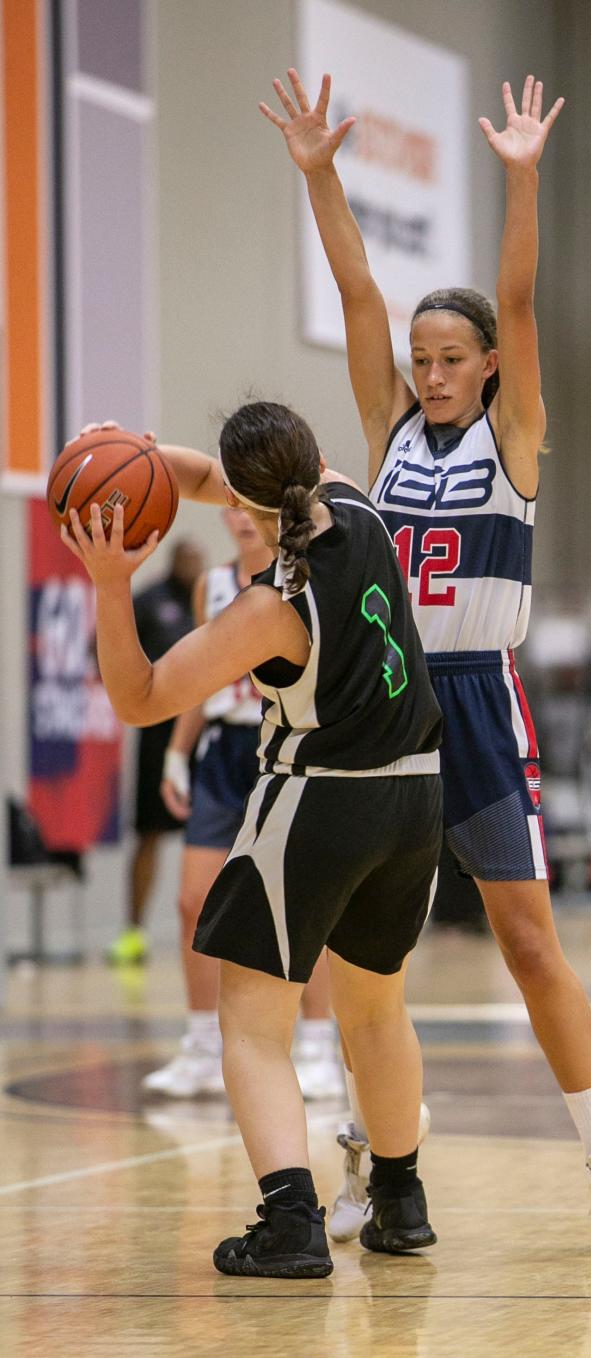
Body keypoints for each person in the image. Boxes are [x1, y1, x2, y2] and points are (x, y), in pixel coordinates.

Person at [262, 68, 591, 1253]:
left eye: (452, 356)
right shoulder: (388, 434)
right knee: (359, 965)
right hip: (383, 705)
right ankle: (371, 1159)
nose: (430, 370)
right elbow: (355, 289)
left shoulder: (516, 436)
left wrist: (524, 177)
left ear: (488, 365)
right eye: (422, 356)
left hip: (480, 699)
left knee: (528, 938)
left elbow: (522, 299)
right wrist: (321, 173)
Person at [63, 401, 444, 1277]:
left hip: (321, 804)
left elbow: (141, 698)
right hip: (415, 800)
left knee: (251, 1020)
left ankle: (291, 1225)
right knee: (378, 1011)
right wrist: (154, 462)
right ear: (312, 460)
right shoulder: (359, 506)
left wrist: (112, 583)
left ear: (246, 502)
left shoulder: (273, 604)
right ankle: (401, 1201)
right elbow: (220, 480)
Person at [144, 506, 343, 1101]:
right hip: (222, 752)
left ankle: (317, 1044)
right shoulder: (214, 584)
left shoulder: (305, 576)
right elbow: (198, 678)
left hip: (280, 744)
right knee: (191, 901)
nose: (239, 515)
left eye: (247, 502)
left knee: (306, 902)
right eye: (227, 502)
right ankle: (202, 1046)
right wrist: (176, 756)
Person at [108, 538, 206, 966]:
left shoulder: (214, 599)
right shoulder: (148, 601)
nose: (193, 563)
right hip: (156, 735)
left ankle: (212, 932)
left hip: (206, 734)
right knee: (148, 834)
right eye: (187, 557)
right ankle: (134, 932)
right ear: (173, 561)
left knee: (211, 836)